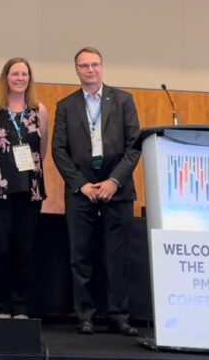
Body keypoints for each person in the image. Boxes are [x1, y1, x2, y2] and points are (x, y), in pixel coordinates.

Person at [52, 47, 141, 336]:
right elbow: (59, 150)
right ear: (76, 70)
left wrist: (114, 181)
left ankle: (119, 316)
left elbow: (134, 146)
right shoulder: (66, 105)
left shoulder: (124, 100)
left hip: (118, 188)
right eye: (84, 66)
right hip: (82, 190)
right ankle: (85, 315)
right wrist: (82, 184)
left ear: (102, 67)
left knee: (118, 256)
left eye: (95, 65)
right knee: (81, 255)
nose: (90, 70)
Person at [0, 57, 49, 319]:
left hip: (30, 190)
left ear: (30, 79)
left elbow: (42, 150)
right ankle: (1, 307)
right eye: (15, 73)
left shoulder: (39, 110)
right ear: (6, 77)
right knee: (1, 247)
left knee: (24, 249)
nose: (19, 78)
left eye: (24, 74)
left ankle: (21, 307)